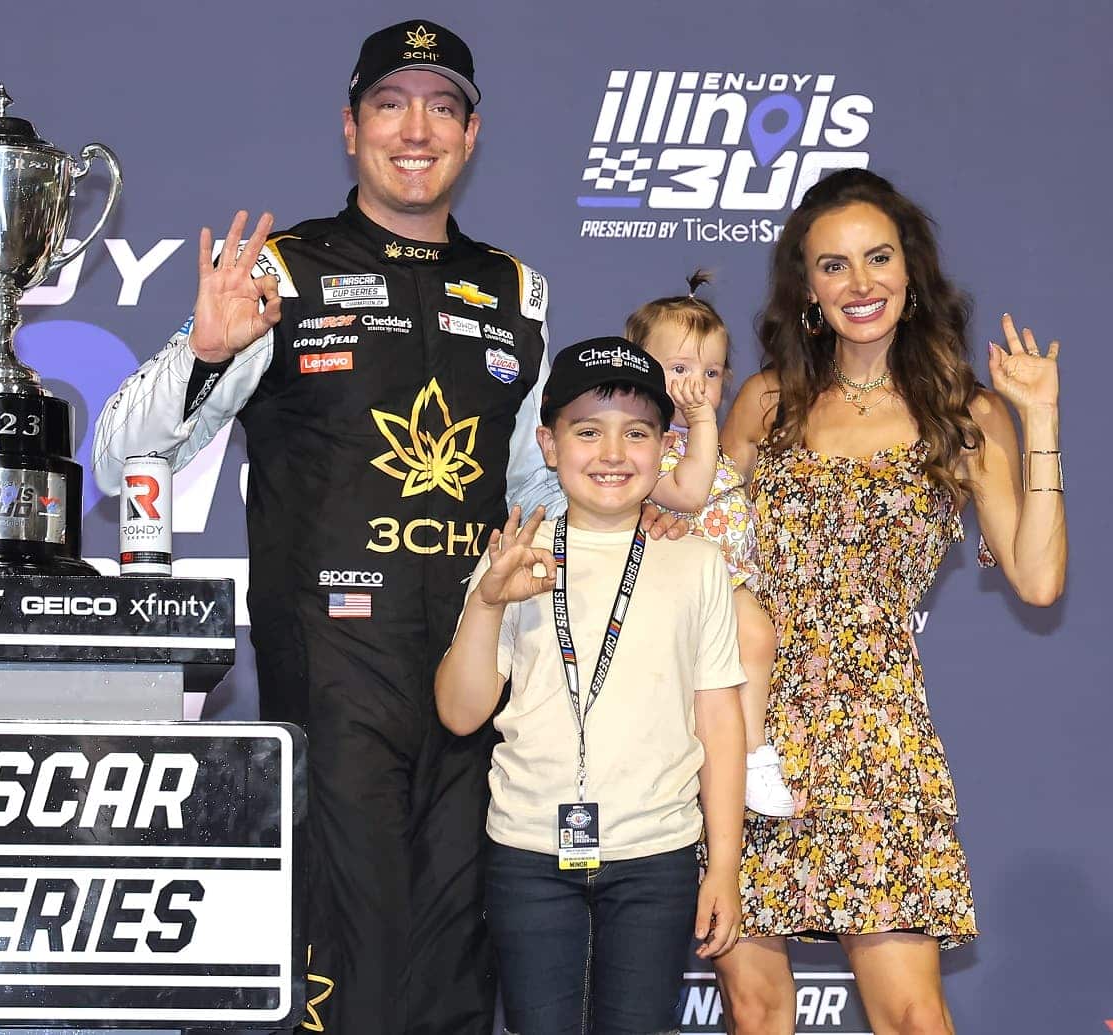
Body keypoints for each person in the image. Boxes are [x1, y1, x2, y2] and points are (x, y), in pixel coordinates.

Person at [93, 20, 577, 1033]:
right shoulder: (279, 271)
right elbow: (123, 454)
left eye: (441, 107)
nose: (417, 128)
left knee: (456, 953)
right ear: (351, 129)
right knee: (351, 951)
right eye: (392, 104)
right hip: (333, 669)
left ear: (472, 134)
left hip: (479, 669)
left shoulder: (516, 291)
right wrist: (209, 354)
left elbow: (542, 497)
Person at [716, 167, 1066, 1035]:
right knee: (757, 1012)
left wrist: (1043, 422)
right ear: (807, 287)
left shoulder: (964, 412)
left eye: (878, 258)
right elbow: (708, 560)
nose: (860, 284)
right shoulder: (765, 405)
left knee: (912, 1013)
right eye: (834, 266)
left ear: (912, 272)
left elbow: (1038, 578)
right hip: (746, 729)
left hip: (879, 736)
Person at [435, 338, 745, 1035]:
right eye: (587, 431)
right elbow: (460, 714)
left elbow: (721, 723)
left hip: (656, 858)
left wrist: (722, 865)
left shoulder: (696, 564)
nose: (613, 452)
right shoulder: (516, 556)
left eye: (636, 432)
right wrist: (487, 603)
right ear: (548, 444)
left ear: (665, 445)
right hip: (527, 856)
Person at [628, 273, 794, 817]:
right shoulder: (637, 444)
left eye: (711, 372)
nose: (696, 386)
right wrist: (701, 423)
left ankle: (750, 754)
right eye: (678, 370)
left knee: (759, 637)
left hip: (729, 579)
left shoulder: (706, 440)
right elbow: (691, 493)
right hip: (674, 584)